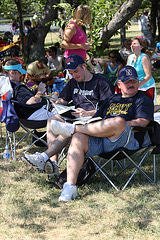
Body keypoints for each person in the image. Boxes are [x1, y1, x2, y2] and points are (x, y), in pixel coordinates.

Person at [24, 65, 154, 202]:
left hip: (125, 138)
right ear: (120, 84)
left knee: (118, 121)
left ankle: (71, 129)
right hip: (101, 136)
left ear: (138, 82)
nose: (131, 84)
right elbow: (95, 119)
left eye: (134, 81)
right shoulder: (111, 100)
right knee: (79, 137)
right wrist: (97, 126)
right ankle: (70, 186)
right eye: (127, 81)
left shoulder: (143, 99)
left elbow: (142, 122)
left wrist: (116, 125)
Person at [22, 54, 114, 171]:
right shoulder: (72, 83)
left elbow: (109, 109)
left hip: (93, 120)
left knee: (67, 127)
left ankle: (44, 157)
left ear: (84, 66)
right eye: (71, 73)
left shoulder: (101, 82)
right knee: (52, 120)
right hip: (75, 118)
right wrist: (57, 102)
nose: (74, 75)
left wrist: (89, 113)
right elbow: (63, 100)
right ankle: (53, 162)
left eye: (76, 71)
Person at [127, 37, 156, 102]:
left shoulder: (144, 57)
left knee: (147, 109)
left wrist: (137, 86)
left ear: (141, 47)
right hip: (134, 87)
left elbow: (148, 76)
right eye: (131, 44)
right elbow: (127, 73)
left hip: (146, 87)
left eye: (134, 43)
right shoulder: (130, 57)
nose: (132, 45)